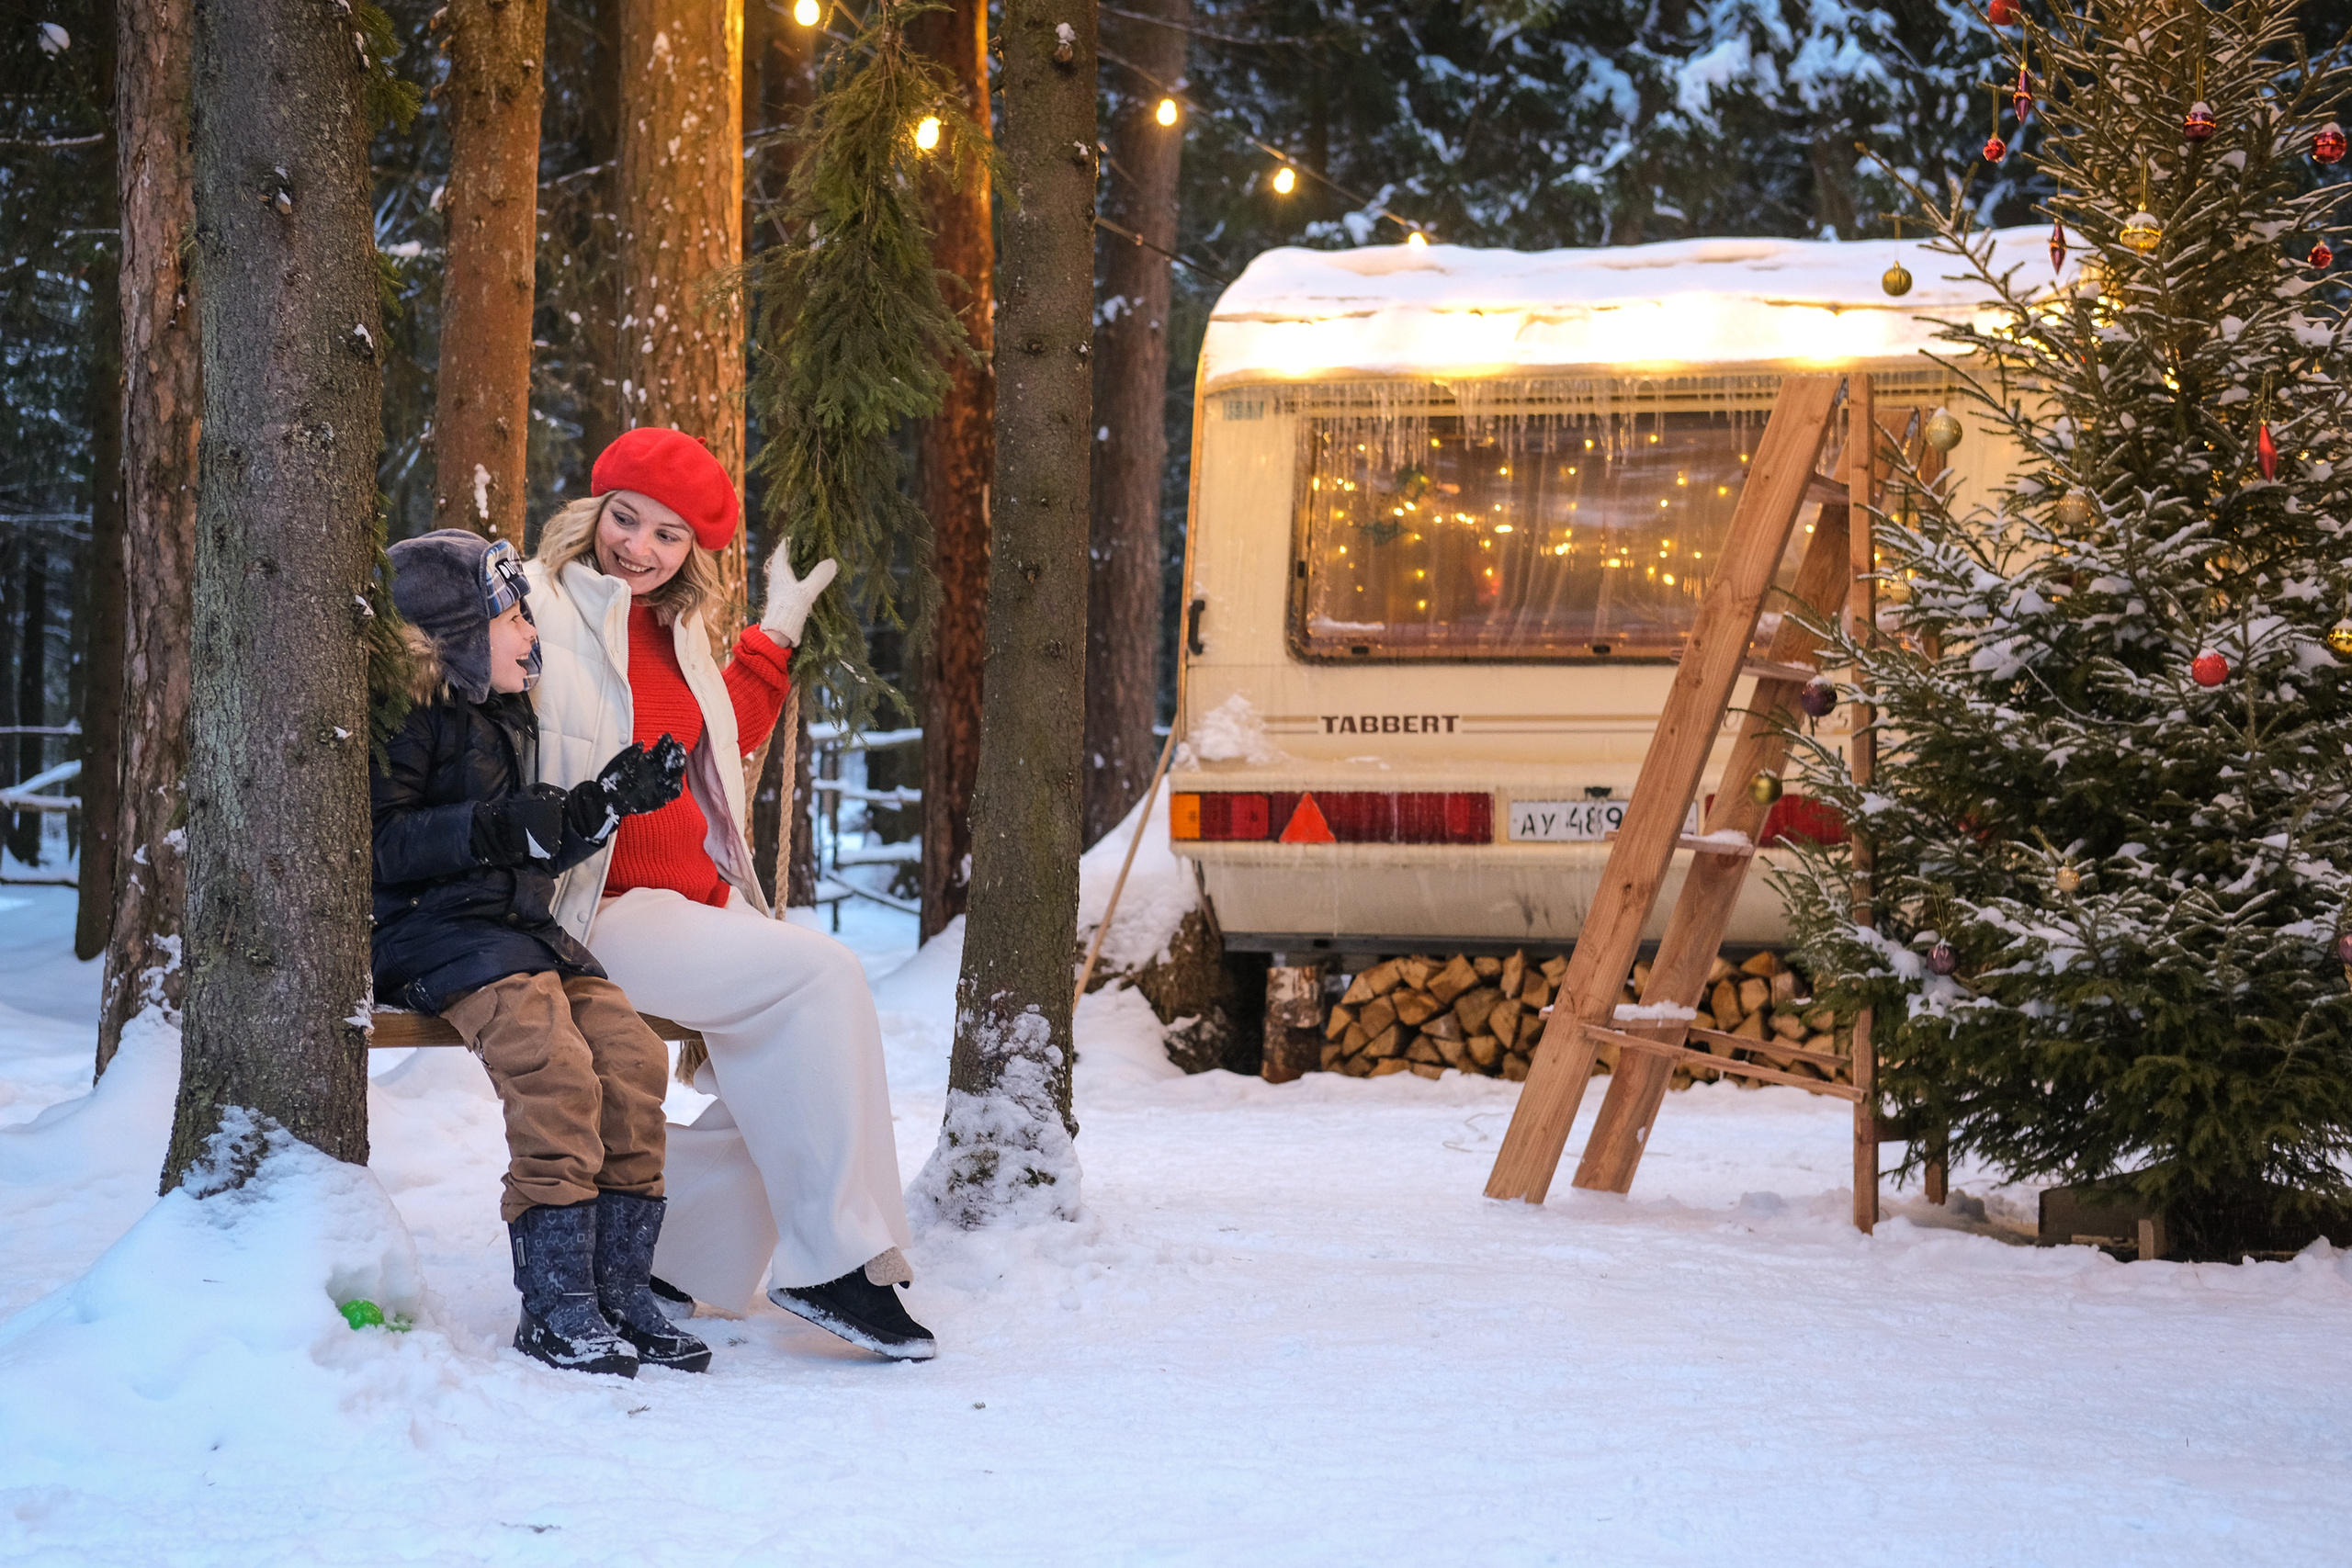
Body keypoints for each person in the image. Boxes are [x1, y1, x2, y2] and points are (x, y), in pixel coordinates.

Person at [525, 426, 934, 1361]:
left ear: (692, 555)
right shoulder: (544, 609)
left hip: (695, 904)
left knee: (813, 1048)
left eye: (668, 536)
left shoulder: (678, 629)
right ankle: (835, 1263)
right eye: (626, 519)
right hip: (599, 910)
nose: (638, 547)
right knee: (821, 979)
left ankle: (678, 1252)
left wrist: (776, 631)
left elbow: (720, 732)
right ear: (594, 512)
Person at [370, 528, 712, 1379]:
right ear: (455, 632)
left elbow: (523, 837)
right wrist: (491, 829)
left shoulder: (505, 711)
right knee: (556, 1071)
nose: (530, 629)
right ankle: (557, 1304)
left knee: (631, 1056)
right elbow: (376, 845)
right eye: (512, 612)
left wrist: (602, 804)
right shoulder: (412, 717)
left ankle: (617, 1287)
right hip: (433, 935)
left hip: (516, 929)